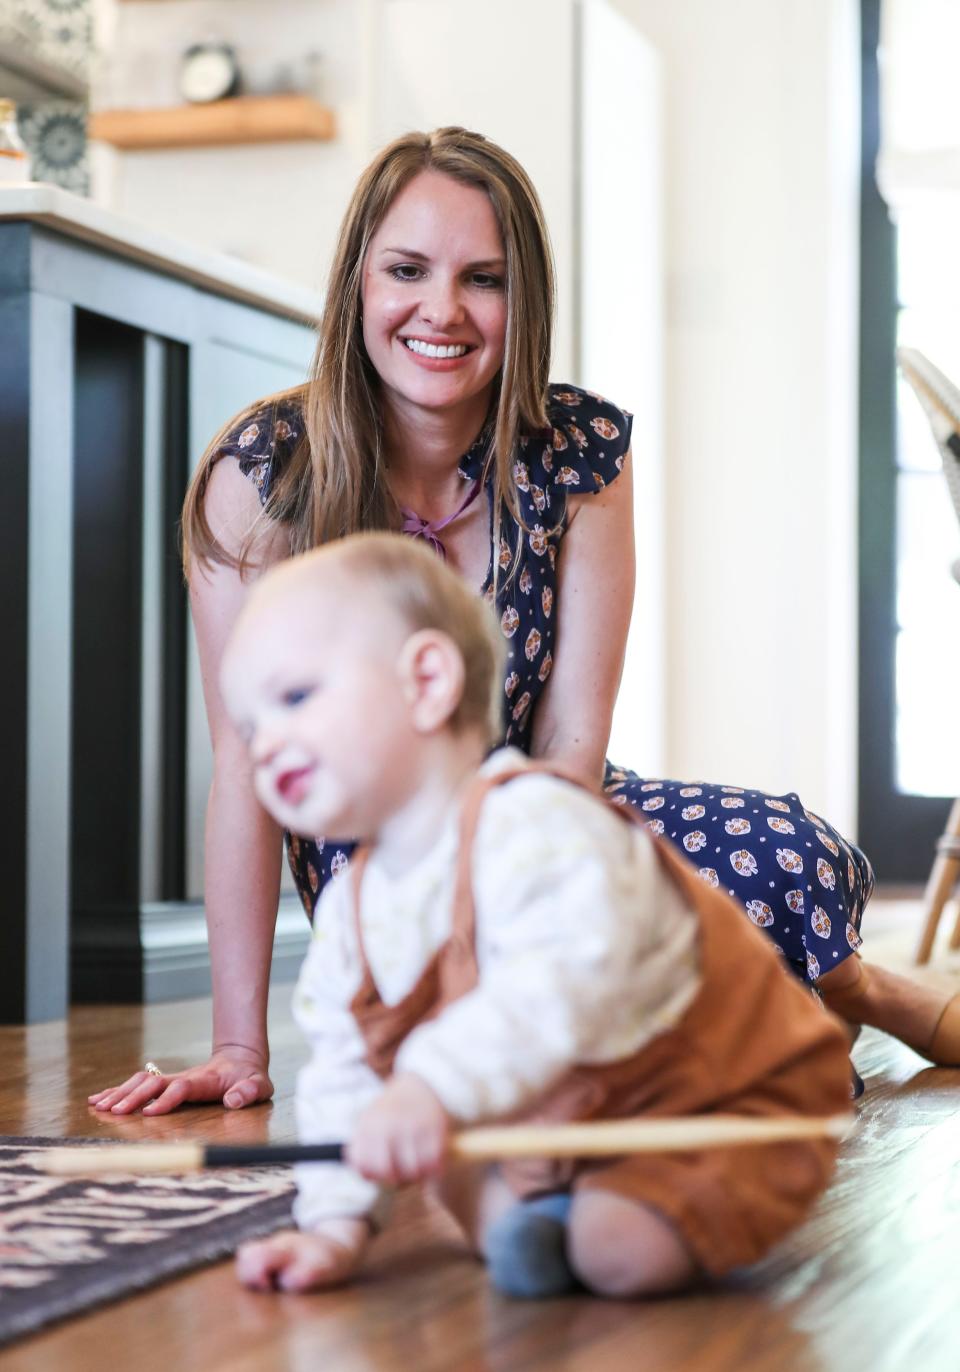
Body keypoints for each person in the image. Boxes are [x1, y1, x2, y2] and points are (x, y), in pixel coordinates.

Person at [88, 126, 960, 1119]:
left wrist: (539, 908)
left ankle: (854, 989)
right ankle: (784, 1011)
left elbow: (572, 745)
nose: (443, 310)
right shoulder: (261, 475)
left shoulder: (582, 453)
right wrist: (238, 1048)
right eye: (407, 270)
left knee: (777, 856)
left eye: (484, 279)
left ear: (524, 297)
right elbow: (245, 768)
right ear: (357, 287)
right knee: (571, 1028)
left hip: (546, 816)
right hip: (388, 867)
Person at [223, 532, 852, 1298]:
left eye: (293, 698)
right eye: (250, 728)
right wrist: (333, 1224)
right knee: (431, 1146)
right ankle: (537, 1208)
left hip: (709, 1097)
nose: (265, 745)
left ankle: (588, 1216)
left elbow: (563, 987)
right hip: (559, 1116)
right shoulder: (355, 905)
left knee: (618, 1252)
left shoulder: (536, 823)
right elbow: (342, 1070)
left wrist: (428, 1087)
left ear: (426, 681)